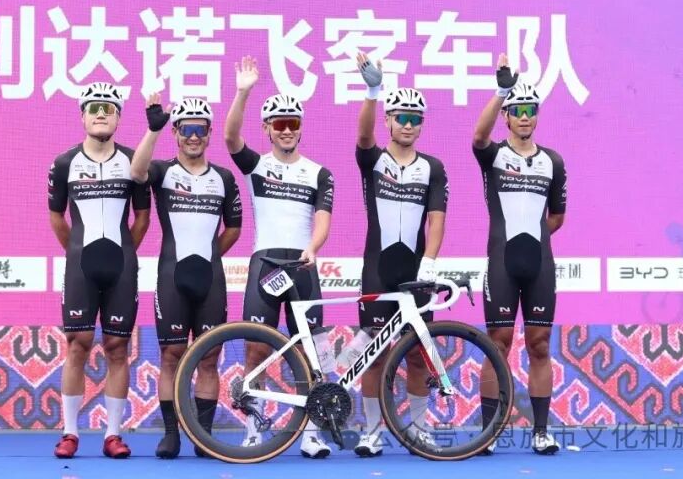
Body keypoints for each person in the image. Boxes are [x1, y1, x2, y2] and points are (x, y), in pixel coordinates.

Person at [223, 55, 335, 459]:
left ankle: (311, 434)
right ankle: (254, 431)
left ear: (300, 128)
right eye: (279, 124)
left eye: (293, 123)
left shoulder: (319, 173)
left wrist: (314, 247)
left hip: (303, 264)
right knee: (256, 351)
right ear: (267, 129)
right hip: (266, 263)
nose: (287, 130)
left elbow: (322, 220)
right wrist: (243, 92)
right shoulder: (257, 166)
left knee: (310, 354)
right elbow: (230, 138)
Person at [130, 95, 243, 459]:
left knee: (209, 358)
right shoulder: (162, 171)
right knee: (171, 356)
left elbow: (234, 228)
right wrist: (153, 129)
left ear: (209, 133)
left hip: (210, 278)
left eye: (200, 129)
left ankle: (203, 436)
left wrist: (208, 257)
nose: (194, 136)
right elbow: (136, 172)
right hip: (171, 276)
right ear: (176, 133)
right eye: (187, 129)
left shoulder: (223, 177)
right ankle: (171, 435)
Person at [351, 54, 448, 457]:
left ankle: (419, 430)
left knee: (418, 357)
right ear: (389, 121)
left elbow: (437, 219)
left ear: (421, 125)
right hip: (377, 269)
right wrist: (373, 91)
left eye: (415, 119)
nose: (408, 125)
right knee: (374, 357)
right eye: (401, 118)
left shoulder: (434, 167)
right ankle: (372, 432)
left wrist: (430, 262)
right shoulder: (374, 160)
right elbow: (363, 137)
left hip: (415, 273)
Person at [48, 82, 152, 459]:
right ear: (83, 116)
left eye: (109, 108)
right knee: (77, 345)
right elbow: (57, 218)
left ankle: (113, 434)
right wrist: (78, 253)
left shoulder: (134, 161)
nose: (101, 114)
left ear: (119, 118)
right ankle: (70, 433)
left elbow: (142, 217)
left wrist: (123, 252)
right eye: (94, 108)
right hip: (81, 264)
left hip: (121, 265)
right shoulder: (64, 163)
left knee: (117, 348)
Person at [472, 55, 567, 455]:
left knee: (539, 345)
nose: (524, 117)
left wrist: (534, 239)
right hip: (502, 262)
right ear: (507, 117)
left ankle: (541, 431)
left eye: (530, 110)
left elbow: (557, 217)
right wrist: (502, 91)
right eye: (517, 111)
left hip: (539, 263)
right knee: (498, 343)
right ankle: (488, 432)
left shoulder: (553, 161)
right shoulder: (494, 155)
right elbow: (478, 137)